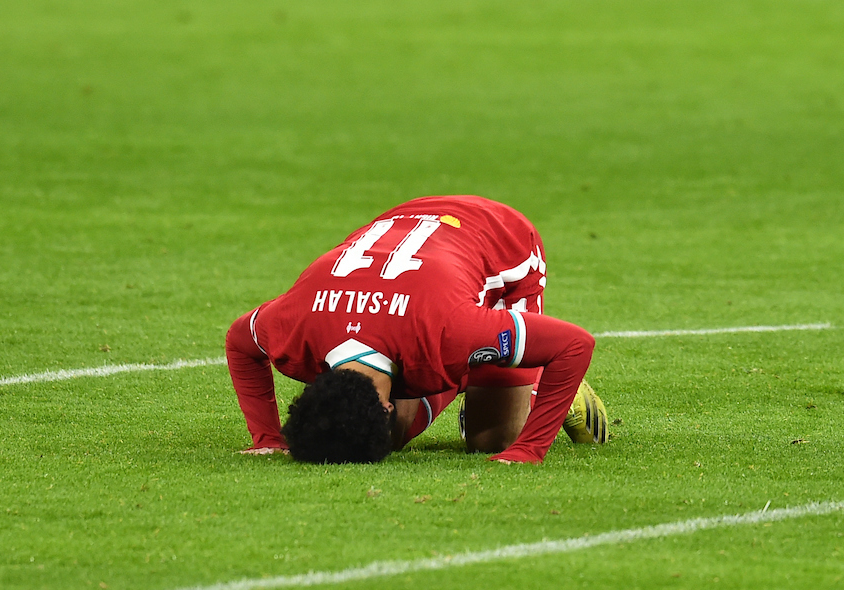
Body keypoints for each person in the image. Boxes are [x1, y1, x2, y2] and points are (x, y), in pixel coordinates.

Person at [225, 195, 607, 465]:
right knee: (374, 434)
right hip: (407, 240)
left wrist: (530, 449)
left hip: (500, 238)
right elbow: (239, 341)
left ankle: (534, 380)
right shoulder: (291, 326)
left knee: (494, 439)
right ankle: (475, 374)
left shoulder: (449, 332)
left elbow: (574, 344)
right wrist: (268, 439)